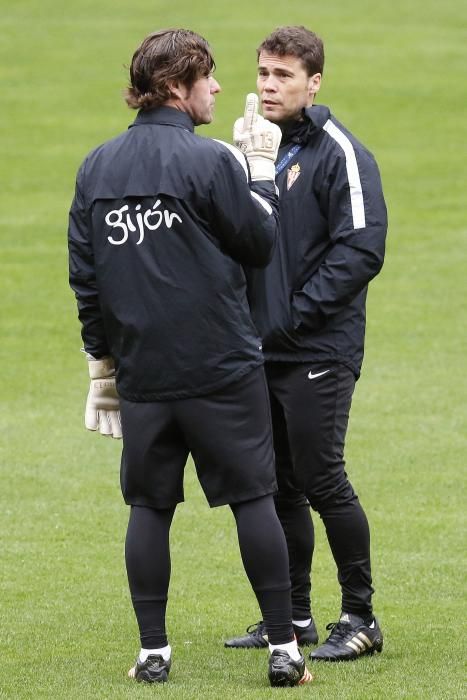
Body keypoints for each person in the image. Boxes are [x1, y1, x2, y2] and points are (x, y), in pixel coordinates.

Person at [68, 28, 313, 686]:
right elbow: (259, 243)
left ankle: (153, 651)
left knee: (149, 508)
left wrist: (102, 368)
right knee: (254, 499)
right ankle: (284, 649)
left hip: (144, 373)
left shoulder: (96, 167)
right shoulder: (209, 163)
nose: (219, 87)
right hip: (221, 369)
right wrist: (260, 171)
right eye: (207, 77)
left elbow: (86, 277)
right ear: (176, 86)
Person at [225, 25, 387, 662]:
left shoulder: (340, 151)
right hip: (260, 348)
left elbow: (362, 248)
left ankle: (361, 616)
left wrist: (293, 318)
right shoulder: (255, 149)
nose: (269, 85)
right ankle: (290, 619)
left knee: (323, 479)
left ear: (313, 82)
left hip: (318, 350)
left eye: (284, 75)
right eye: (263, 72)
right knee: (278, 487)